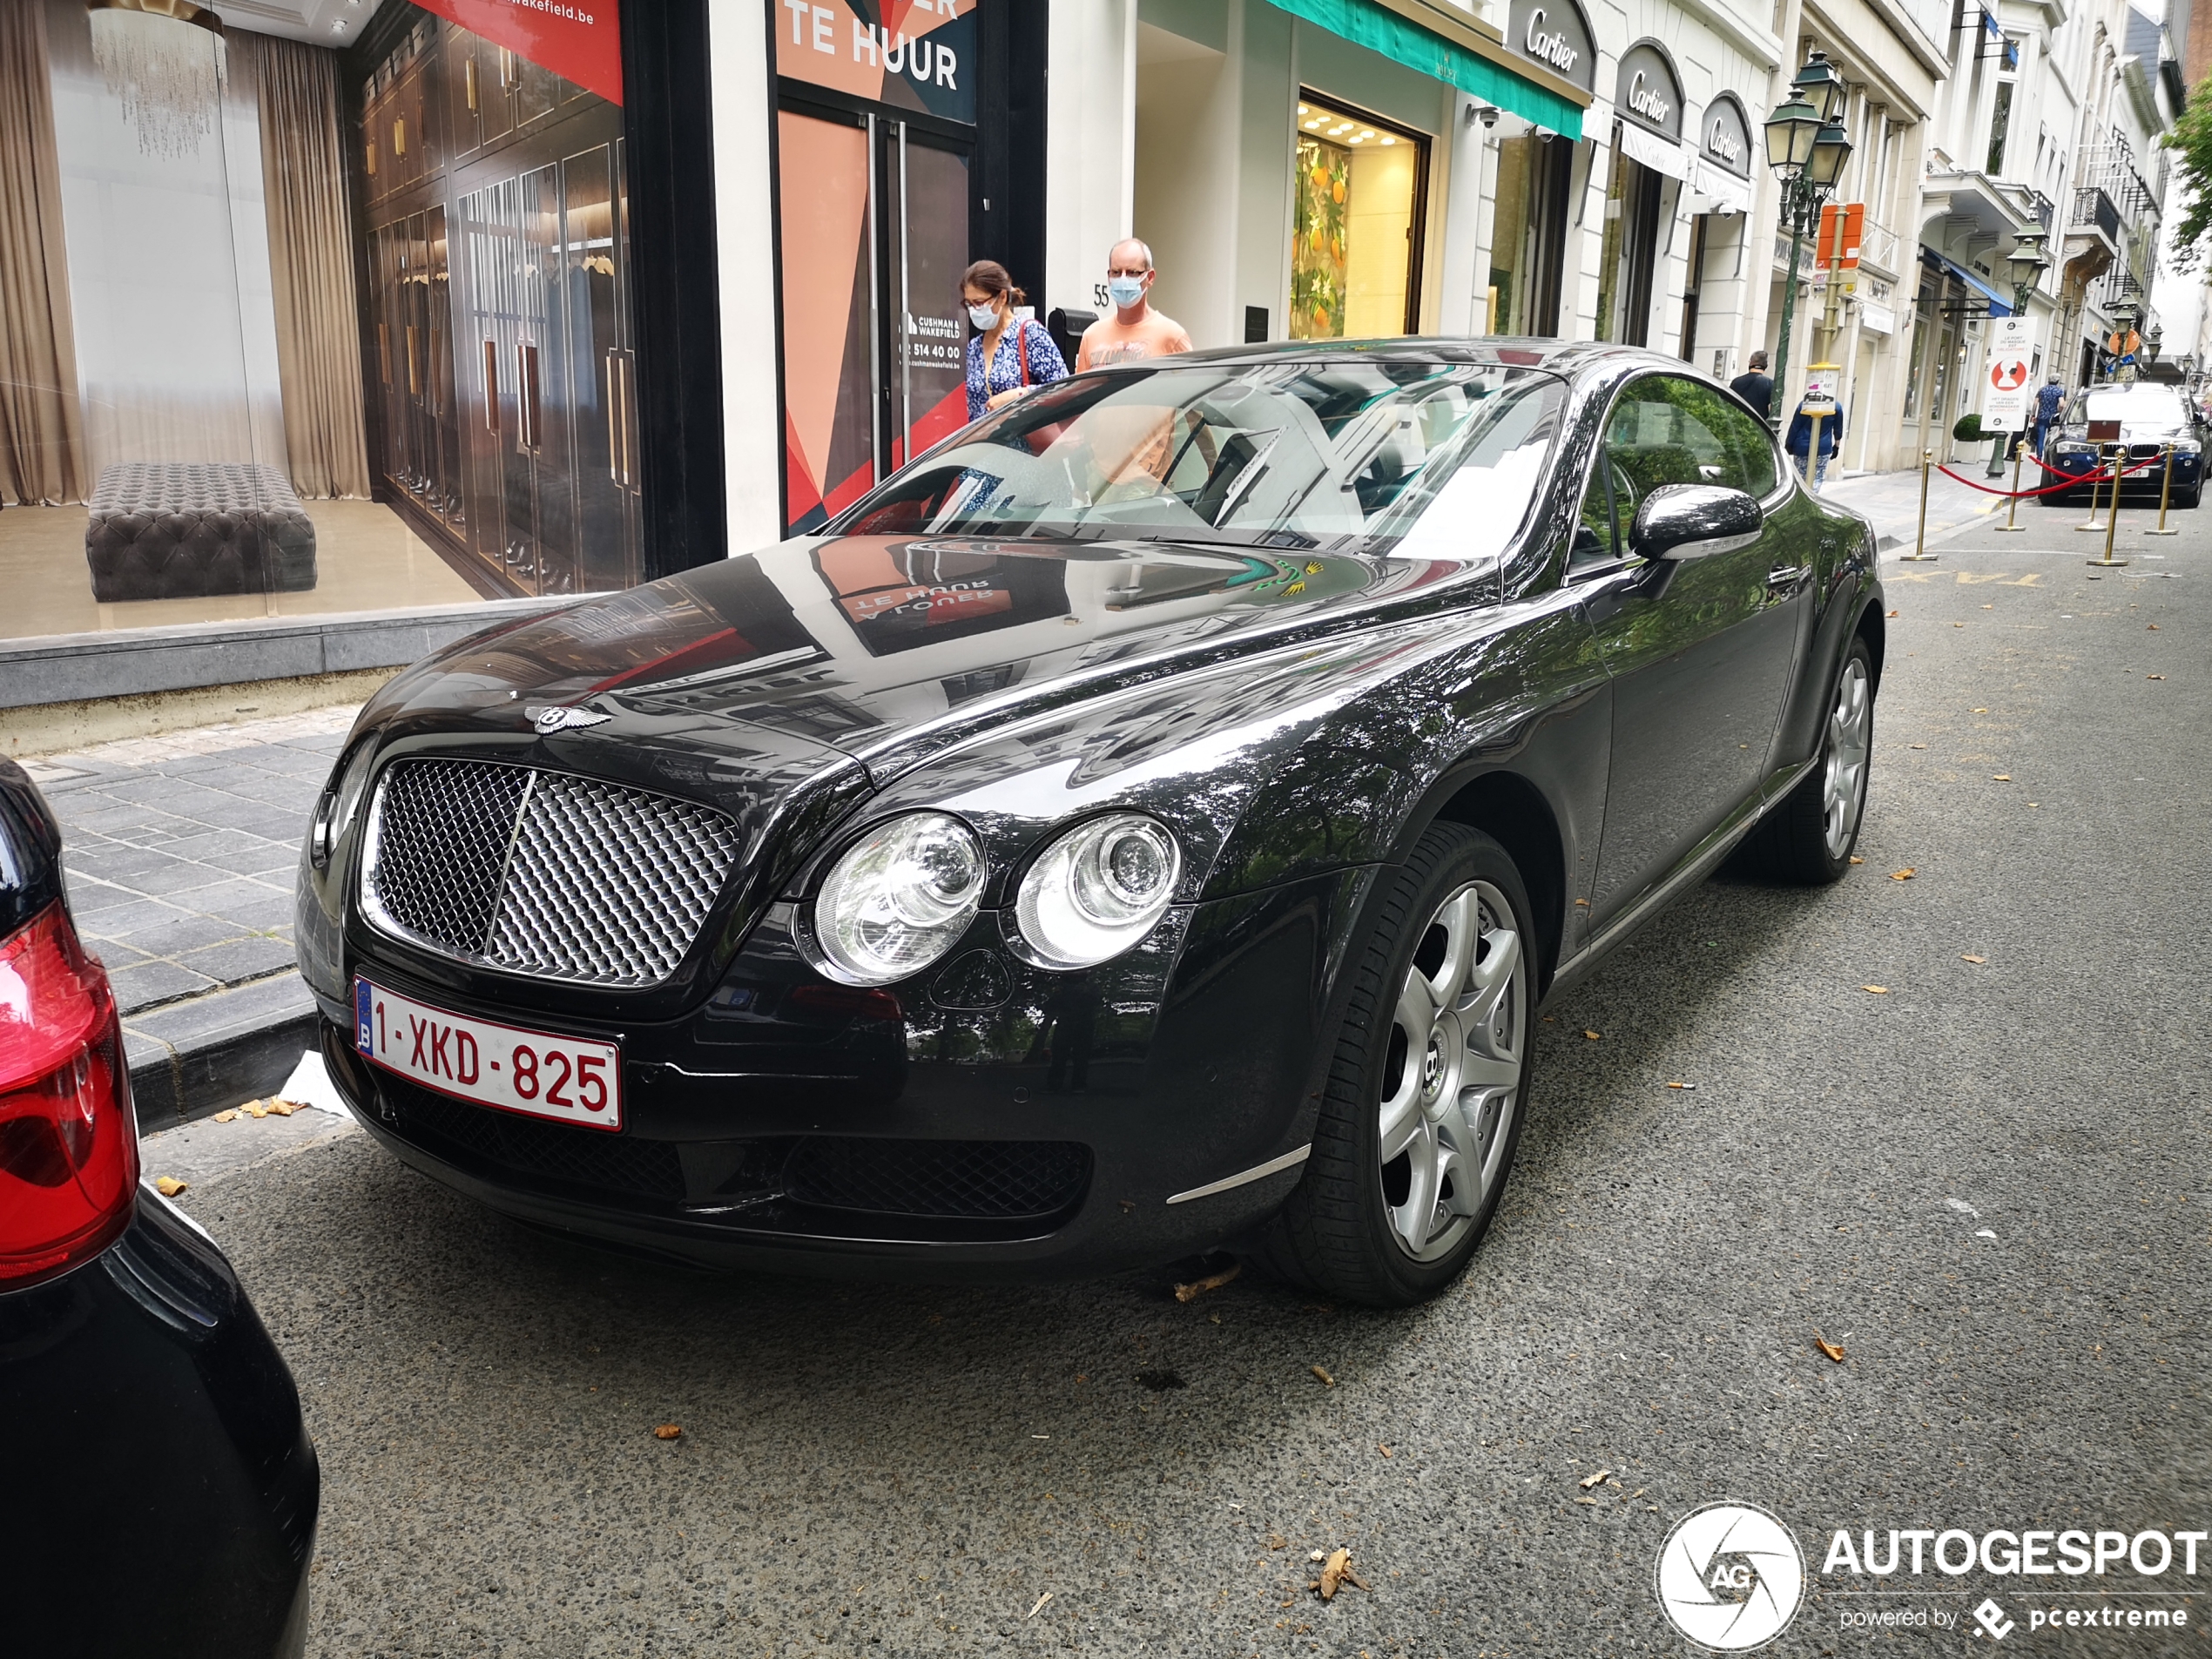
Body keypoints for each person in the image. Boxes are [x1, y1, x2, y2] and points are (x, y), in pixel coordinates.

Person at [962, 260, 1067, 423]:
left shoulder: (1029, 334)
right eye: (968, 304)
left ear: (1002, 297)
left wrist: (1019, 395)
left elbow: (1063, 389)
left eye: (979, 303)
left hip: (1027, 444)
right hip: (988, 444)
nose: (973, 310)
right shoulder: (975, 347)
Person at [1075, 239, 1193, 371]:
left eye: (1132, 273)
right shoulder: (1092, 336)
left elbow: (1191, 388)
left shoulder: (1172, 336)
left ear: (1150, 277)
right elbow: (1081, 389)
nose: (1123, 280)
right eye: (1116, 272)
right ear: (1109, 276)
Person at [1784, 395, 1844, 490]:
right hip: (1823, 447)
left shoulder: (1804, 404)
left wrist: (1789, 444)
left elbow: (1795, 427)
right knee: (1817, 478)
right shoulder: (1835, 406)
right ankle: (1812, 500)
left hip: (1801, 446)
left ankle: (1803, 500)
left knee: (1801, 479)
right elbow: (1838, 430)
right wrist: (1837, 447)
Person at [1730, 350, 1774, 421]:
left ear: (1750, 363)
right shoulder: (1770, 384)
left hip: (1737, 422)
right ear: (1766, 365)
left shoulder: (1736, 382)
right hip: (1758, 425)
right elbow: (1772, 409)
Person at [2032, 373, 2066, 457]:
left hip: (2041, 416)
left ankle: (2039, 456)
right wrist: (2059, 412)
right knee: (2052, 437)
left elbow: (2035, 403)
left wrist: (2033, 415)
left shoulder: (2042, 390)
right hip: (2052, 417)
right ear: (2057, 381)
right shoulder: (2059, 391)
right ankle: (2049, 455)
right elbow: (2061, 404)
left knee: (2041, 437)